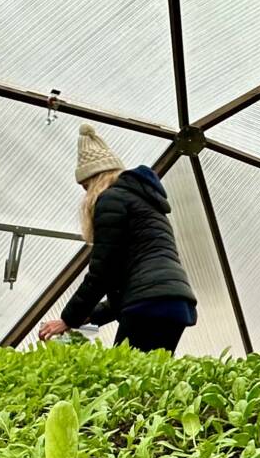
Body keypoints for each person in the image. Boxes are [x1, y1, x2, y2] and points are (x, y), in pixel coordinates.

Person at [37, 125, 197, 352]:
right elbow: (129, 282)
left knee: (125, 378)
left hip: (149, 306)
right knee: (148, 377)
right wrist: (89, 316)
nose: (86, 193)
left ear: (95, 180)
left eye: (85, 186)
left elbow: (103, 271)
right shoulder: (146, 203)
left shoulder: (111, 199)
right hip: (174, 304)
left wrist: (68, 319)